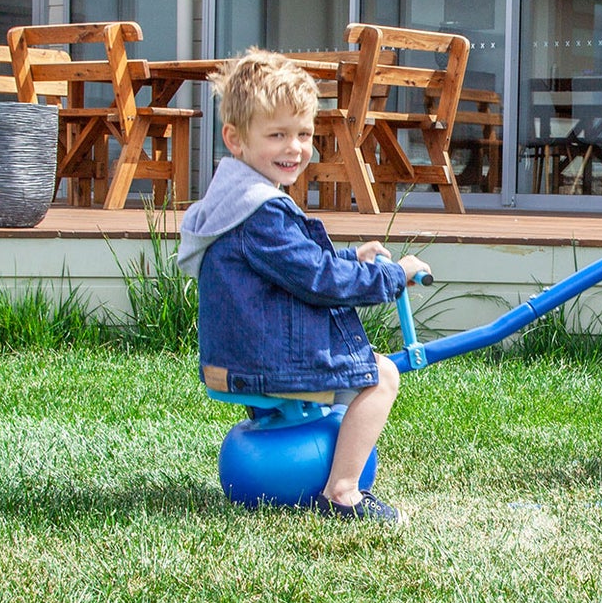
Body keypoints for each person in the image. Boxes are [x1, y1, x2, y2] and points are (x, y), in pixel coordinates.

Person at [177, 48, 430, 521]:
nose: (294, 148)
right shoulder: (262, 210)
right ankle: (344, 491)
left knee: (362, 378)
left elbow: (289, 263)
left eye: (303, 134)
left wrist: (350, 255)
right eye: (277, 135)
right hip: (264, 365)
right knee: (383, 378)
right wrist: (392, 277)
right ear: (235, 139)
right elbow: (318, 280)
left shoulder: (233, 197)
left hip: (238, 358)